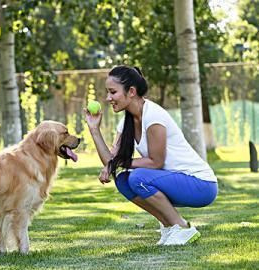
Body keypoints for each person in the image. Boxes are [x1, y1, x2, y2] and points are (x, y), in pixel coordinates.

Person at [84, 65, 218, 246]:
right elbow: (111, 161)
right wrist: (94, 129)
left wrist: (117, 163)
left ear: (131, 91)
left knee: (138, 177)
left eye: (112, 92)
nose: (108, 98)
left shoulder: (153, 116)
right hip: (173, 182)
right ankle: (169, 227)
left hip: (201, 185)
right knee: (123, 180)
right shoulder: (127, 123)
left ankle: (182, 227)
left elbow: (156, 162)